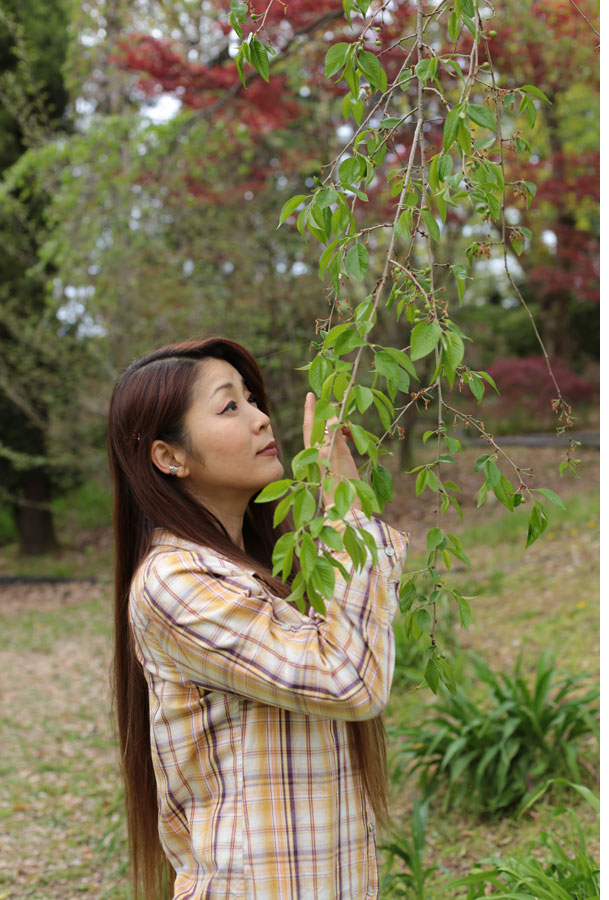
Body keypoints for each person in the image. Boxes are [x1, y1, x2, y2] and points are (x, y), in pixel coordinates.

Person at [107, 337, 408, 900]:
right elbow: (348, 679)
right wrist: (345, 508)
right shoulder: (175, 582)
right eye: (229, 406)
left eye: (251, 399)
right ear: (169, 457)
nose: (261, 418)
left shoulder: (269, 566)